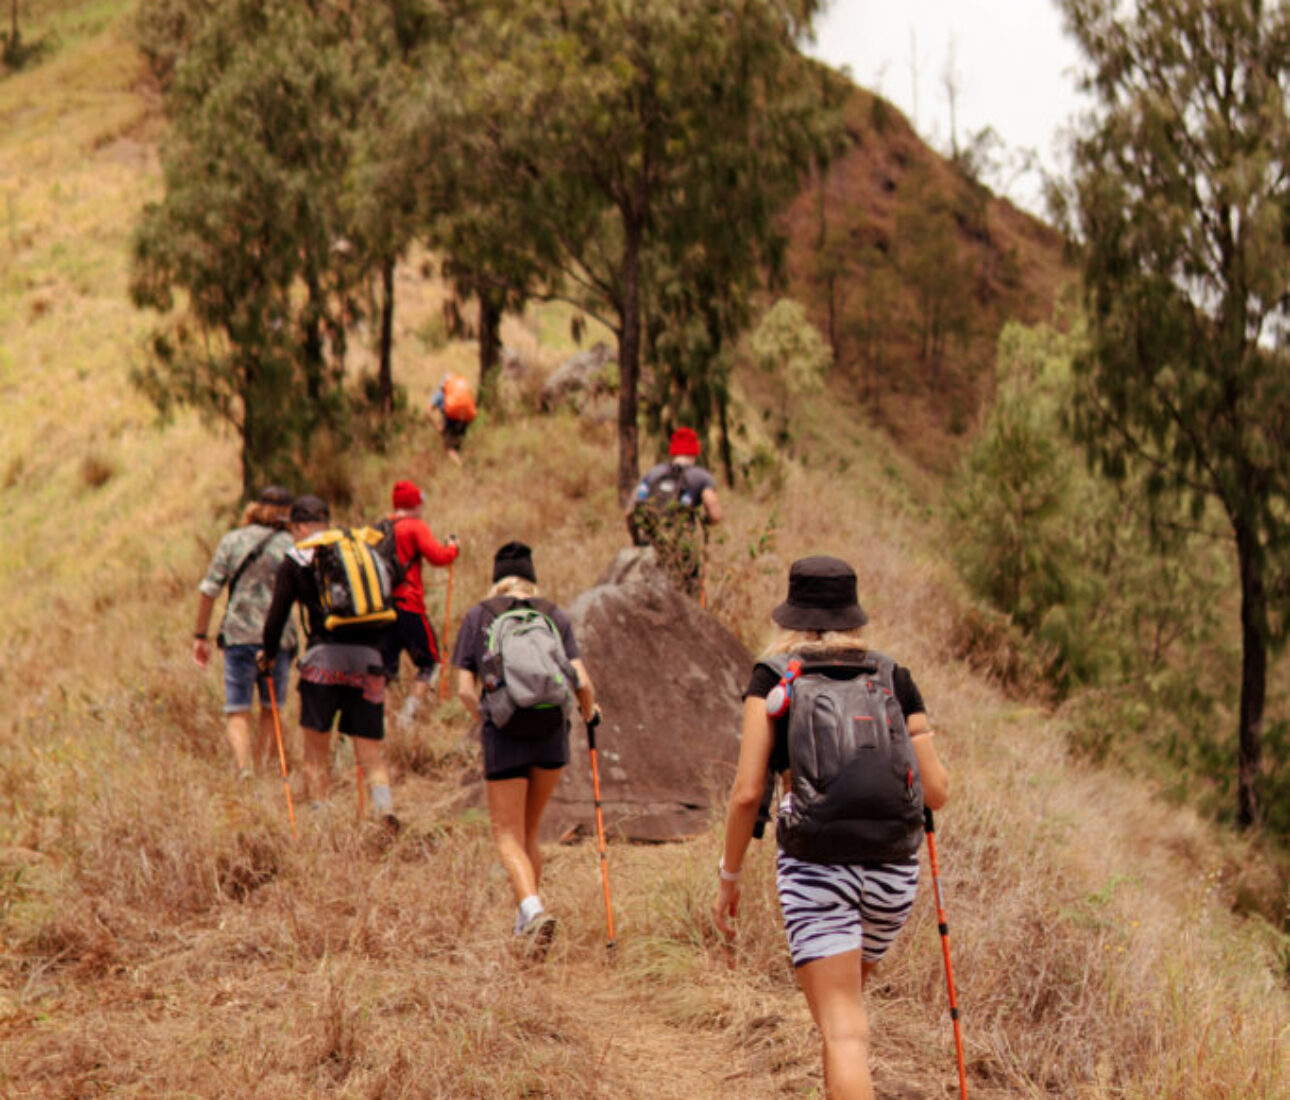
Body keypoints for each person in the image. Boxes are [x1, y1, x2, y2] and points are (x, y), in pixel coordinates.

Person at [712, 556, 950, 1100]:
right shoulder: (894, 676)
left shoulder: (774, 677)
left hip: (817, 870)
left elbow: (748, 792)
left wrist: (730, 876)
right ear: (854, 615)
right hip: (893, 873)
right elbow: (936, 792)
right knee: (841, 1019)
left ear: (792, 616)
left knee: (843, 1030)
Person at [452, 541, 598, 951]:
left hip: (506, 732)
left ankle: (532, 911)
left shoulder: (479, 615)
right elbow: (582, 683)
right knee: (531, 830)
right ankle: (527, 922)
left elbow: (464, 690)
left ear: (495, 579)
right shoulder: (553, 614)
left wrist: (489, 720)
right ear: (532, 579)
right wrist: (588, 712)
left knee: (506, 834)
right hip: (552, 729)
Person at [260, 494, 398, 826]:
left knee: (315, 754)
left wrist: (267, 654)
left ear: (298, 526)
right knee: (371, 754)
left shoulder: (297, 559)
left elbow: (277, 616)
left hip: (323, 661)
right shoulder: (359, 552)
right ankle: (385, 812)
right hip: (369, 662)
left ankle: (322, 824)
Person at [192, 484, 297, 780]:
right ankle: (264, 770)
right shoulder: (292, 544)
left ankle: (244, 769)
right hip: (278, 640)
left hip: (239, 636)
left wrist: (200, 636)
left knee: (237, 709)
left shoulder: (232, 541)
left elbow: (208, 590)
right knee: (271, 707)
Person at [381, 478, 460, 725]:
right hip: (409, 605)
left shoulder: (381, 527)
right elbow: (438, 557)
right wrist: (453, 548)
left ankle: (385, 724)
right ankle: (406, 720)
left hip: (381, 608)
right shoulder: (415, 526)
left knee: (387, 671)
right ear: (414, 504)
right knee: (431, 662)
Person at [625, 427, 722, 597]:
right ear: (695, 451)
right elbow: (715, 513)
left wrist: (637, 541)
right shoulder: (700, 477)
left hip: (651, 546)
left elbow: (629, 511)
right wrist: (704, 522)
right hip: (682, 549)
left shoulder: (653, 475)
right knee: (688, 598)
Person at [429, 372, 475, 465]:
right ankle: (468, 464)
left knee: (449, 449)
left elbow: (428, 411)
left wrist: (437, 426)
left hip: (450, 422)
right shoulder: (460, 395)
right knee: (459, 446)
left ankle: (462, 466)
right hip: (464, 420)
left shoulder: (440, 395)